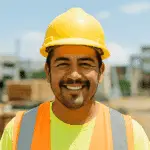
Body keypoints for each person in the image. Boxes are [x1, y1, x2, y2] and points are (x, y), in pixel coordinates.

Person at [0, 7, 150, 150]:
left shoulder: (130, 136)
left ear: (101, 71)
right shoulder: (18, 133)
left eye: (85, 64)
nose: (74, 75)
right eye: (63, 64)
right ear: (47, 71)